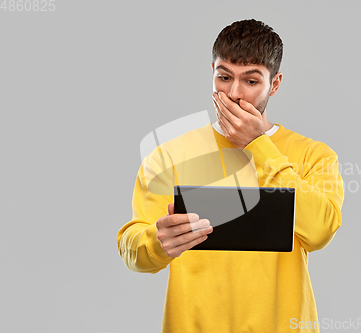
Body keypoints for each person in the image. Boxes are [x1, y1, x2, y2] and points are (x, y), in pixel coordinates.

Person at [117, 19, 344, 333]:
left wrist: (257, 146)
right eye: (224, 77)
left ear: (274, 84)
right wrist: (157, 242)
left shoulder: (314, 155)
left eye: (251, 81)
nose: (233, 93)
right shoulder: (168, 155)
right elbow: (133, 252)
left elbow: (320, 232)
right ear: (212, 72)